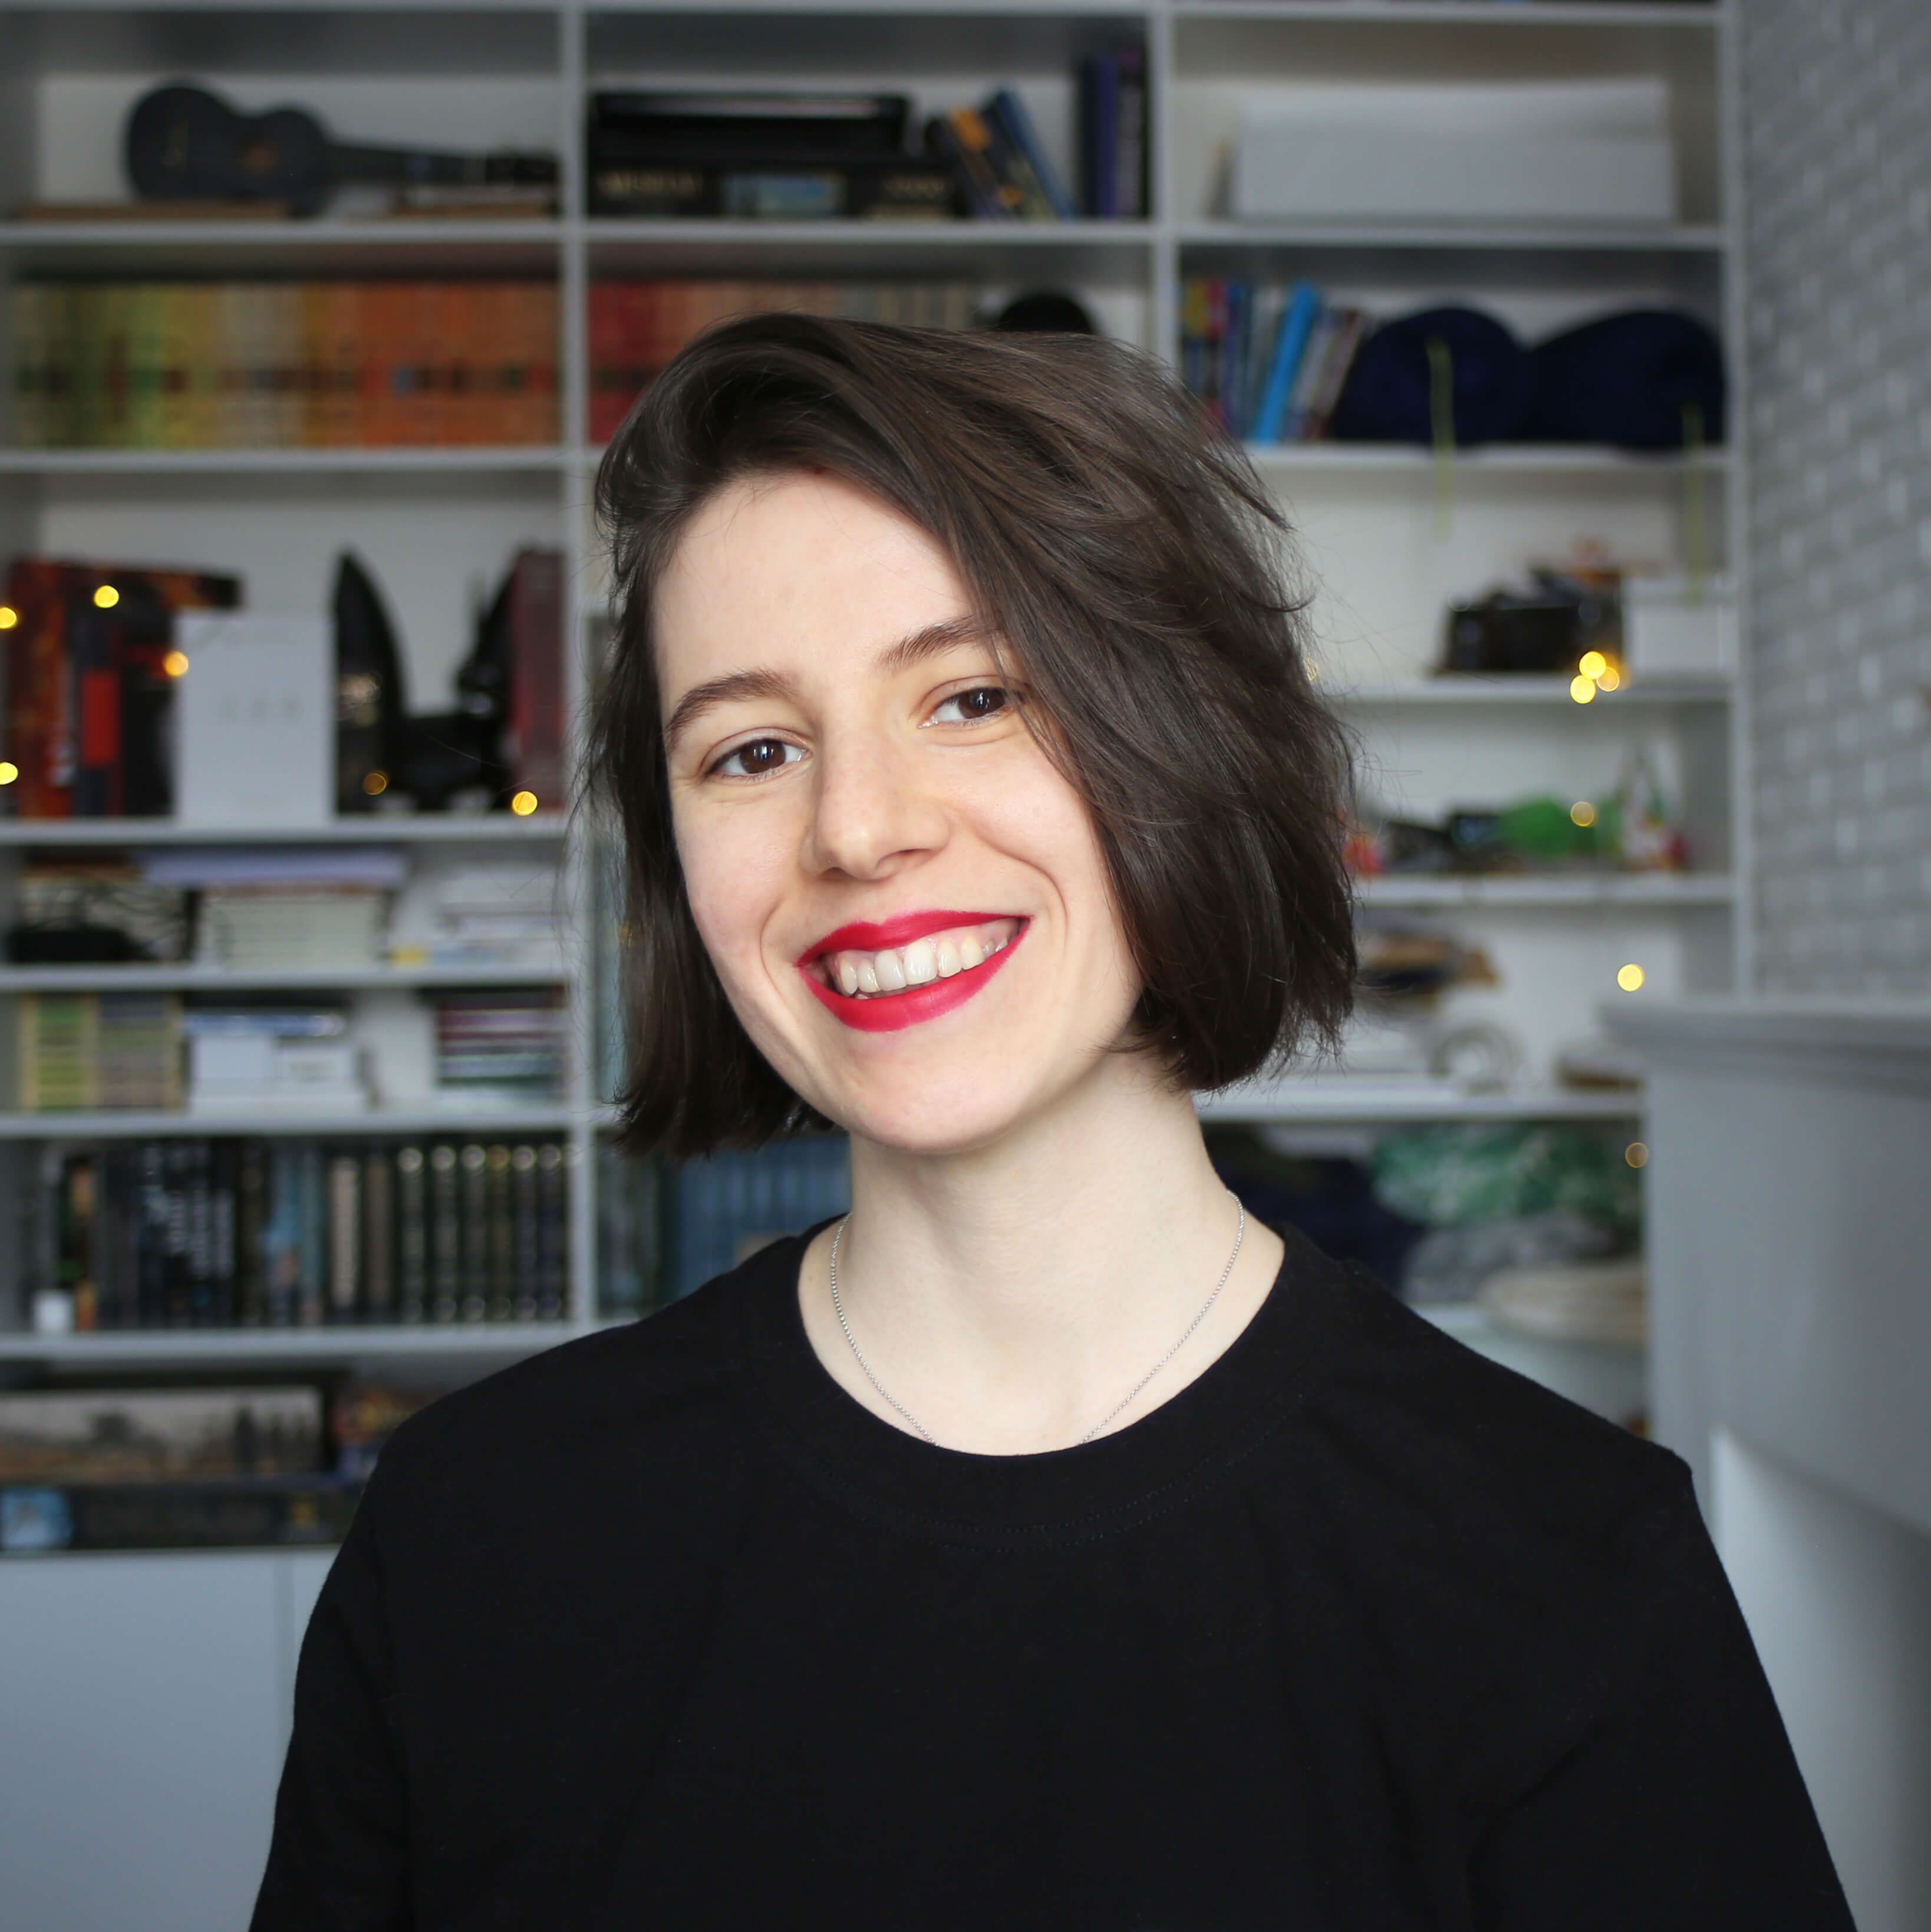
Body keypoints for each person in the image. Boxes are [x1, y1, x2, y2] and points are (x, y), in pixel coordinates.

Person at [253, 317, 1851, 1930]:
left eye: (971, 698)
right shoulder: (474, 1535)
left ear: (1188, 741)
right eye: (753, 749)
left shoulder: (1565, 1566)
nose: (856, 829)